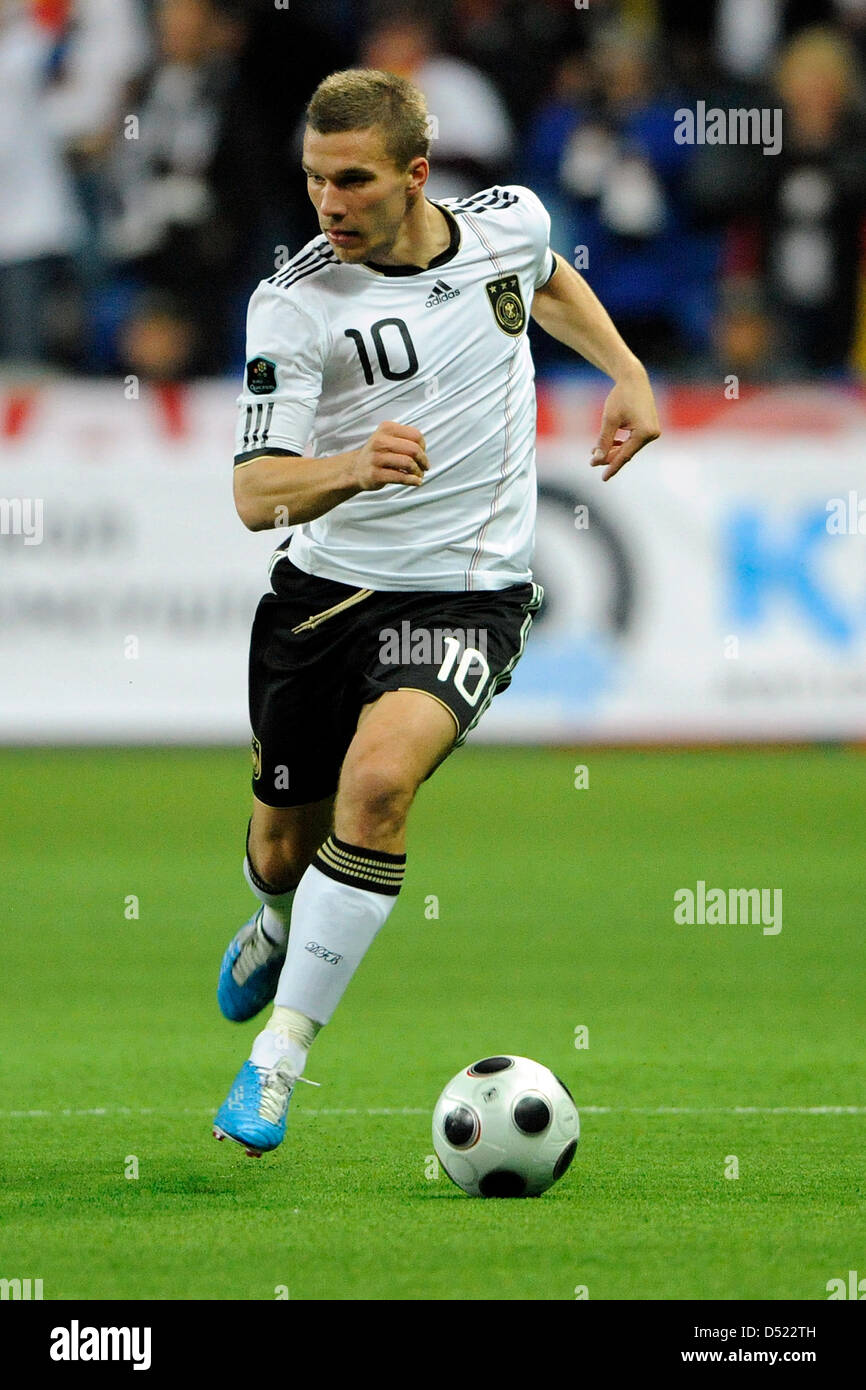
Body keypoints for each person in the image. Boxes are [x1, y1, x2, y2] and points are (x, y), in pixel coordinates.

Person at [212, 67, 660, 1157]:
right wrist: (352, 465)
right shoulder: (296, 302)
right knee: (282, 845)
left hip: (467, 596)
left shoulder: (506, 223)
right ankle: (274, 919)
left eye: (353, 180)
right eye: (316, 180)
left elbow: (542, 278)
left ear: (416, 175)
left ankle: (277, 1061)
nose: (329, 203)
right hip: (323, 598)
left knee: (376, 788)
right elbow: (253, 492)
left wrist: (624, 371)